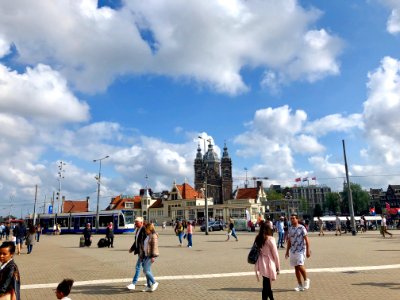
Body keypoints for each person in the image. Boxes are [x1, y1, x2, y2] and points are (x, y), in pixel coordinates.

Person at [285, 214, 311, 292]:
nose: (292, 220)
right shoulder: (290, 229)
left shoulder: (302, 228)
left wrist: (308, 251)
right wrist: (287, 252)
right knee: (296, 267)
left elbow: (307, 240)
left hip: (301, 250)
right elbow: (289, 241)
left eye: (293, 218)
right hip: (293, 250)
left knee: (300, 265)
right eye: (291, 218)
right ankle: (299, 285)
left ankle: (306, 280)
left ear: (297, 219)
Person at [255, 221, 280, 300]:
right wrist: (278, 266)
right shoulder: (271, 239)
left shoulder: (258, 238)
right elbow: (275, 254)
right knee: (267, 284)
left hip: (261, 262)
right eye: (271, 227)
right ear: (268, 229)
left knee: (266, 283)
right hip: (269, 262)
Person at [127, 217, 146, 290]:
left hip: (143, 252)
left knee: (138, 267)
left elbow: (147, 240)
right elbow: (136, 241)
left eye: (136, 222)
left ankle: (133, 283)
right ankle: (150, 281)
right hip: (140, 252)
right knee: (145, 268)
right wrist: (132, 248)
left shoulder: (144, 229)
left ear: (141, 223)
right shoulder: (138, 229)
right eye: (135, 222)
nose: (135, 224)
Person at [142, 223, 159, 292]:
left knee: (146, 270)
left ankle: (154, 282)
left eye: (146, 229)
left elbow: (154, 247)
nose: (145, 230)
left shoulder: (153, 236)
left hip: (151, 255)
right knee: (147, 270)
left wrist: (152, 256)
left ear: (149, 229)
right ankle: (149, 285)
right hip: (146, 255)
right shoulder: (148, 236)